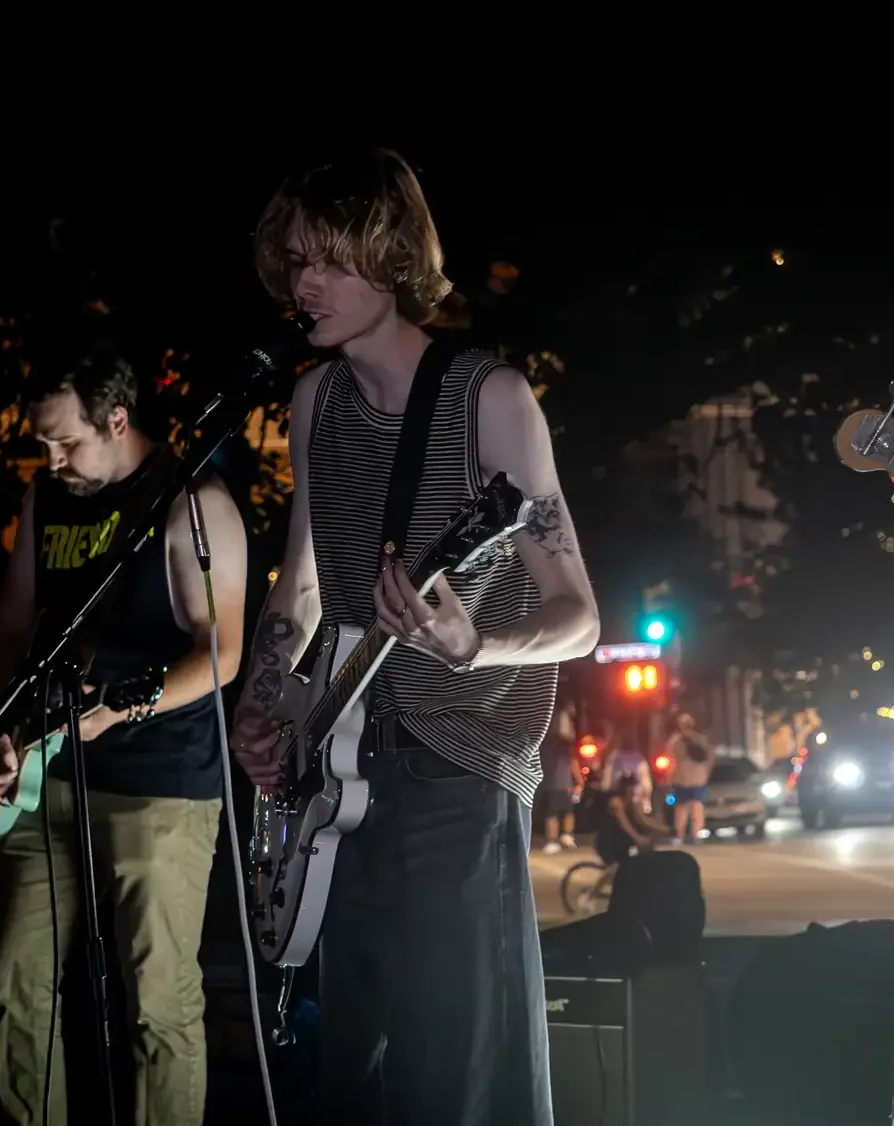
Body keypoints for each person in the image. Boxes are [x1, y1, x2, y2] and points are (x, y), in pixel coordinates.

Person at [232, 148, 600, 1125]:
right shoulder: (314, 401)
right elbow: (301, 581)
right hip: (338, 773)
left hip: (459, 769)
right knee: (349, 1073)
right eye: (295, 261)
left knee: (454, 1076)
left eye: (330, 260)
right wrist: (264, 704)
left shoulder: (491, 399)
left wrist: (475, 643)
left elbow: (578, 617)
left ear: (392, 259)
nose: (304, 284)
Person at [0, 346, 248, 1126]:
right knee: (12, 988)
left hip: (161, 782)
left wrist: (120, 710)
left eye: (67, 442)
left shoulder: (194, 502)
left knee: (157, 1000)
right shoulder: (47, 498)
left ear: (117, 421)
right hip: (50, 772)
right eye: (42, 443)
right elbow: (10, 626)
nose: (52, 460)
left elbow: (222, 653)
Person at [663, 713, 714, 844]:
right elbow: (709, 758)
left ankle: (679, 835)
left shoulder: (675, 740)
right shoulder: (701, 739)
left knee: (681, 808)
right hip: (698, 779)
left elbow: (670, 758)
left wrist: (668, 778)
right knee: (697, 806)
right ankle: (697, 835)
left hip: (681, 779)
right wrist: (706, 774)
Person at [534, 729, 580, 853]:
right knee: (567, 811)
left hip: (551, 785)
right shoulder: (565, 748)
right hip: (564, 785)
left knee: (552, 813)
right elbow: (573, 764)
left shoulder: (543, 745)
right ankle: (567, 836)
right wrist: (579, 781)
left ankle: (553, 841)